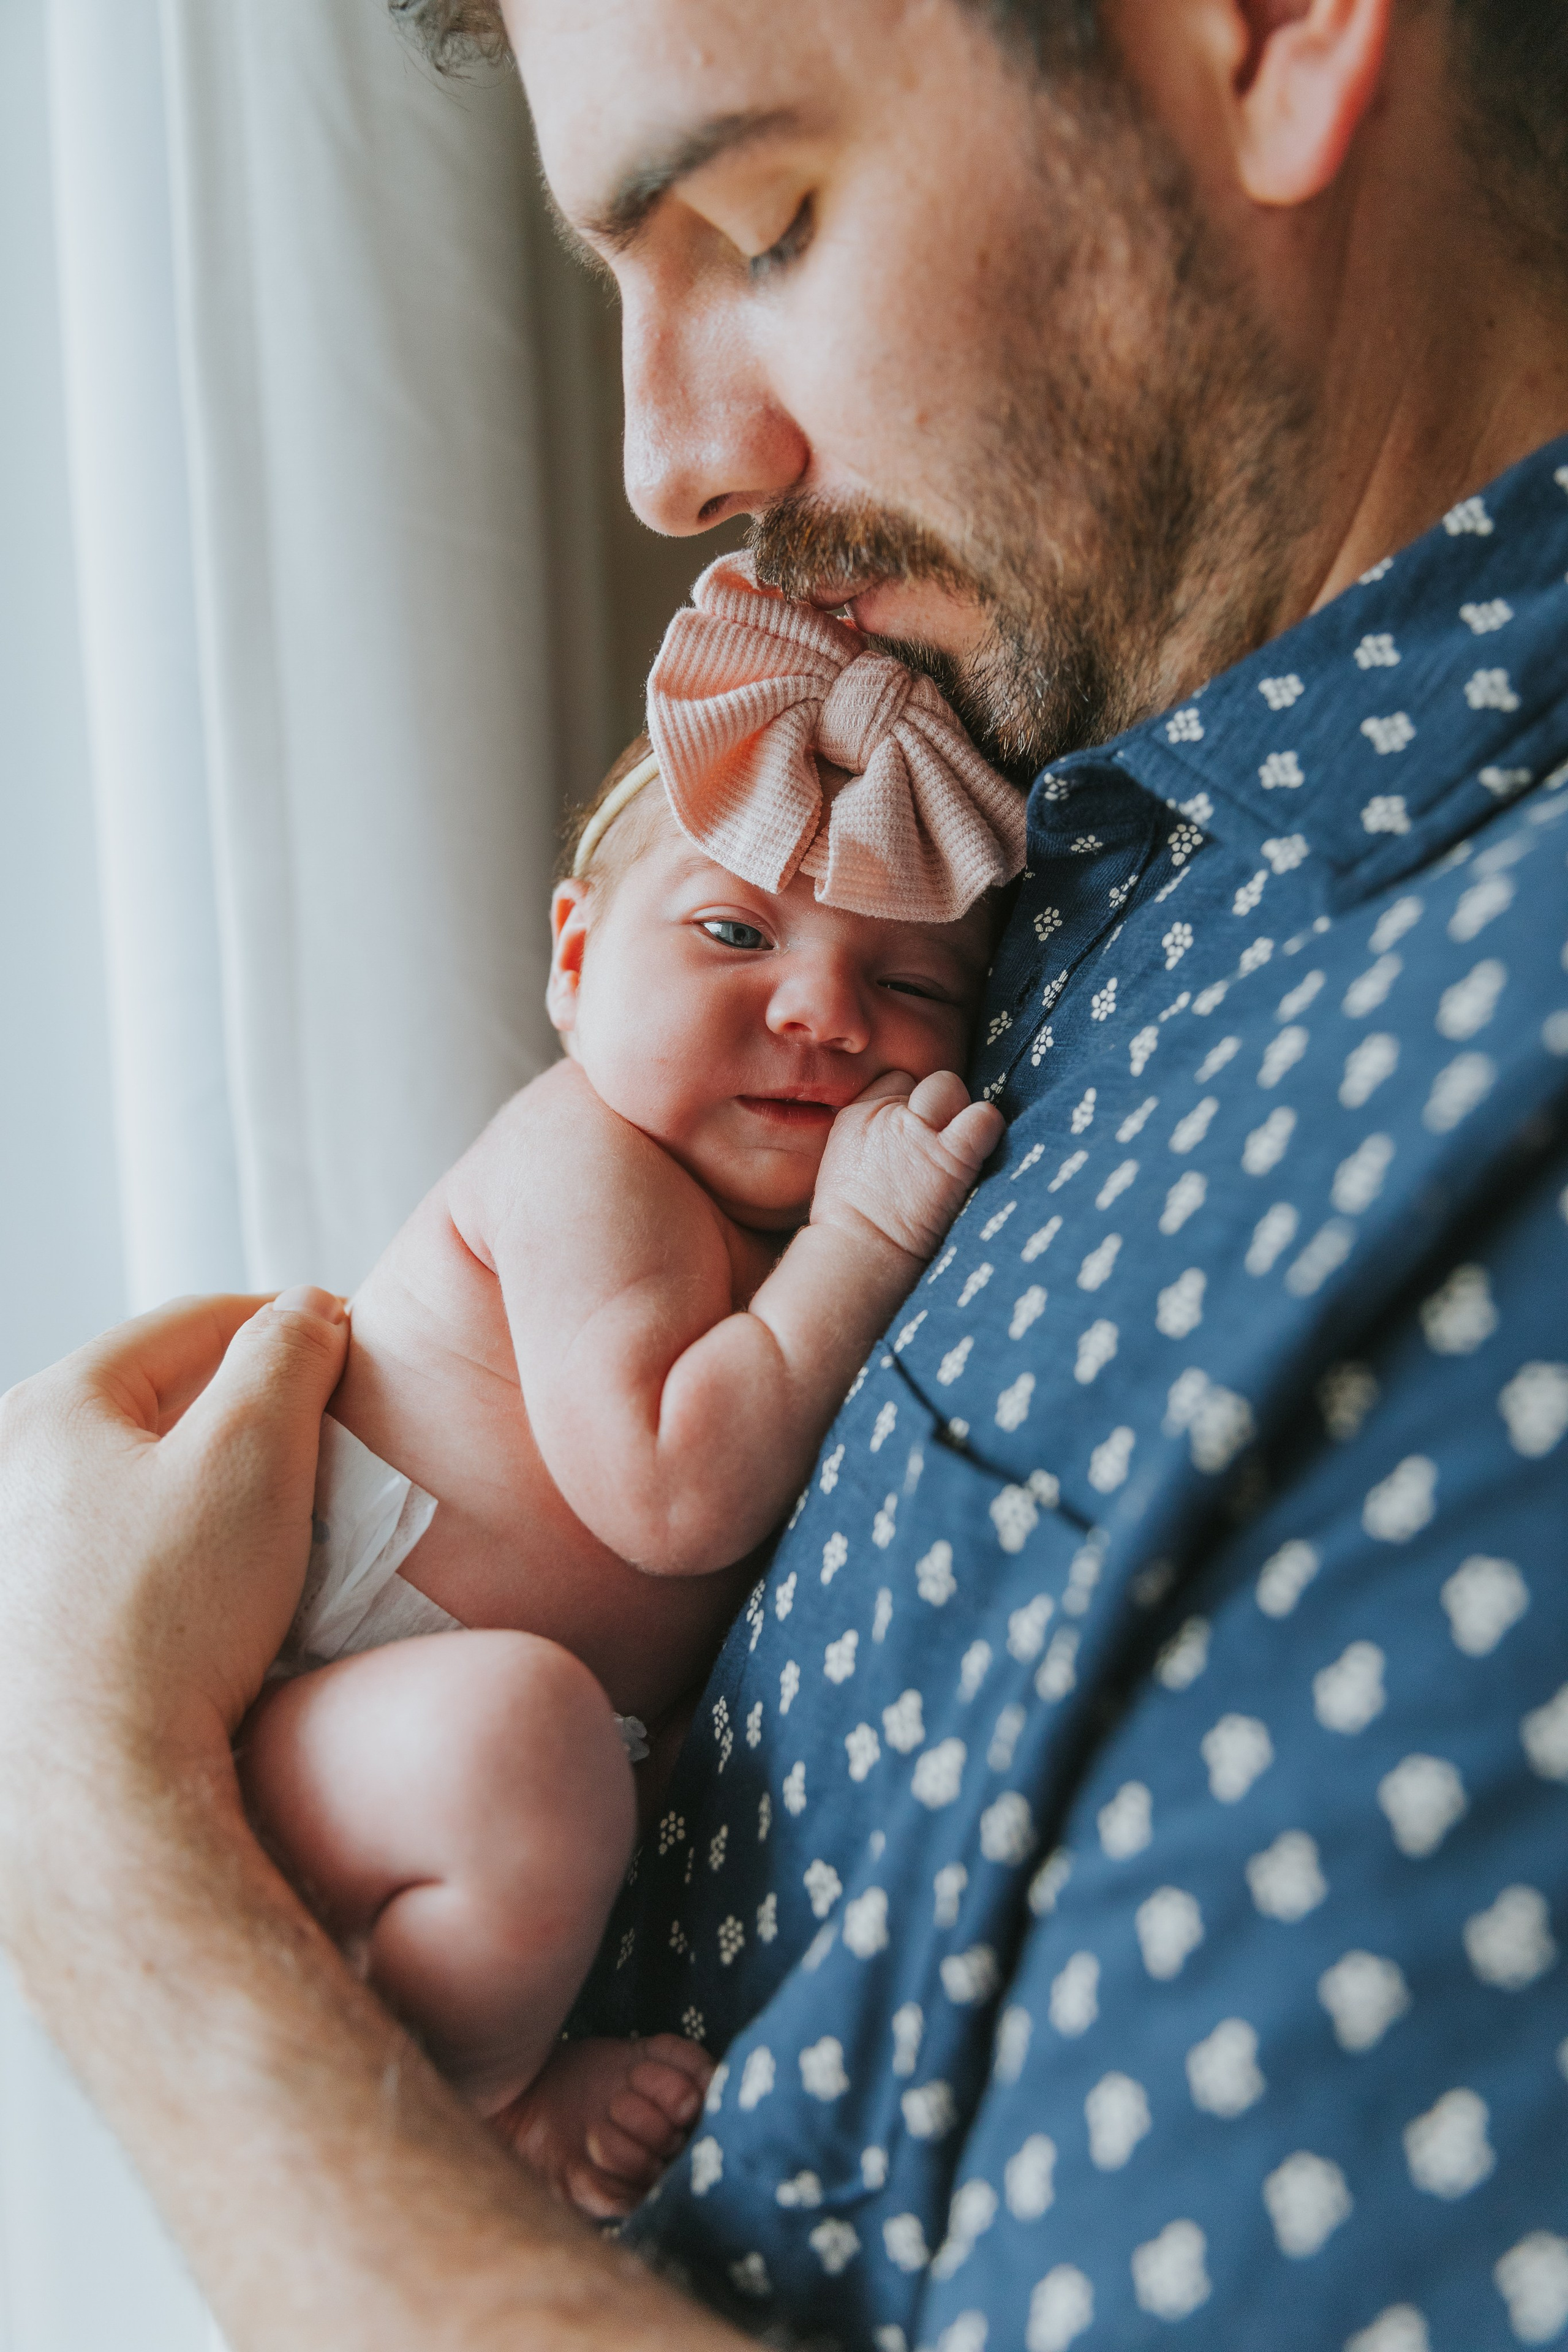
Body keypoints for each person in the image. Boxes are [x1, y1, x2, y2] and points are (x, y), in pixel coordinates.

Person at [1, 0, 1566, 2344]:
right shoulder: (1077, 807)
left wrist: (104, 1833)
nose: (664, 463)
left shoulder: (1481, 1148)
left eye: (761, 218)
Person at [242, 564, 1015, 2195]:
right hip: (334, 1712)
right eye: (735, 930)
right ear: (579, 962)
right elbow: (677, 1487)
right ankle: (484, 2102)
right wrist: (864, 1244)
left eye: (914, 985)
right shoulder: (585, 1160)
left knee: (544, 1756)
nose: (821, 1010)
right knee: (526, 1739)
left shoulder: (739, 1219)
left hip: (467, 1764)